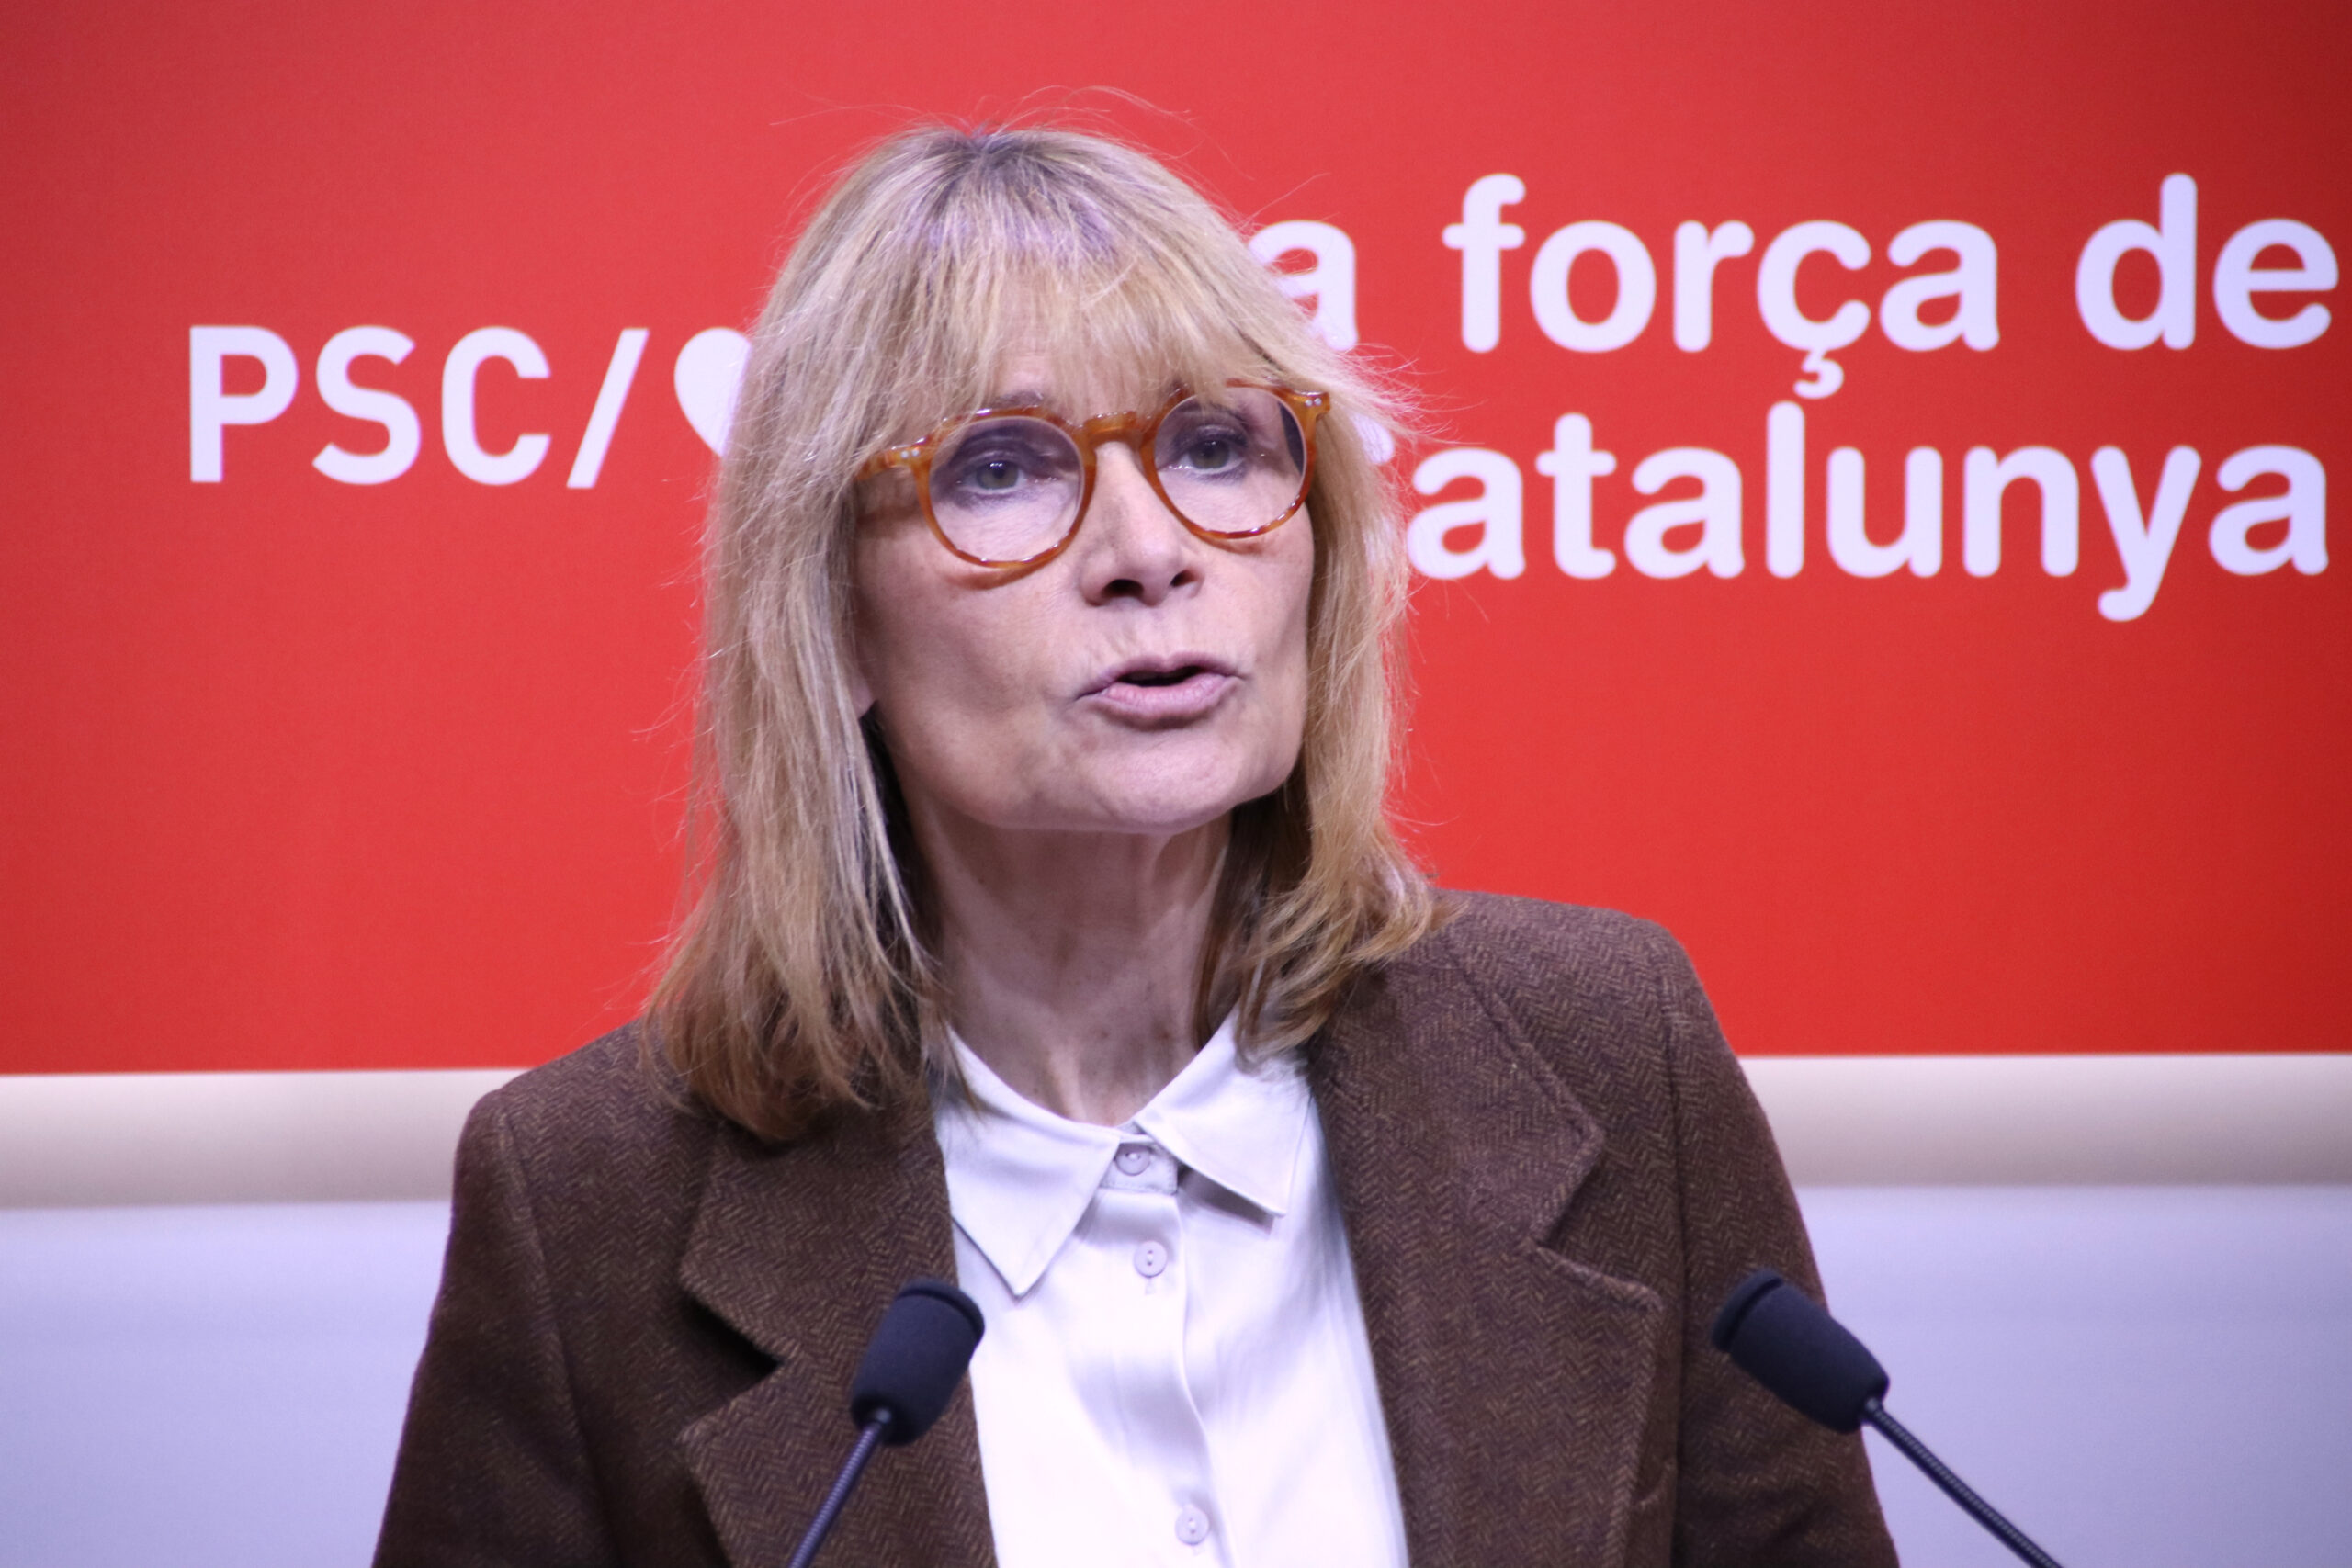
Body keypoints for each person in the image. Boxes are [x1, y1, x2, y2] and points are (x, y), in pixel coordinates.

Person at [375, 123, 1895, 1568]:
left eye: (1216, 444)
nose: (1151, 551)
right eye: (1001, 467)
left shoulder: (1609, 1054)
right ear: (832, 619)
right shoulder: (588, 1204)